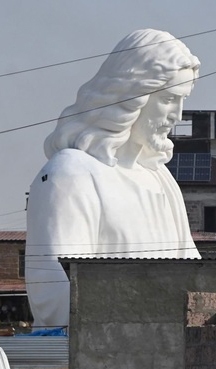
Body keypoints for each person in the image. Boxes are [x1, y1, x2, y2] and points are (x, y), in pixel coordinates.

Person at [26, 29, 202, 329]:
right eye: (169, 99)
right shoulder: (70, 175)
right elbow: (54, 291)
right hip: (94, 356)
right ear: (131, 96)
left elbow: (196, 283)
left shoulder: (161, 181)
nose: (178, 116)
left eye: (182, 101)